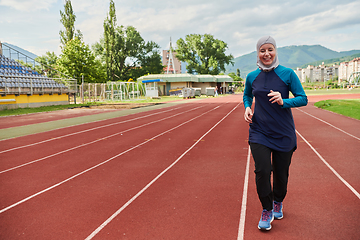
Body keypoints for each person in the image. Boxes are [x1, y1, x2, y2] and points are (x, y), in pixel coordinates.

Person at [243, 36, 308, 231]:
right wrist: (247, 107)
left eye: (270, 49)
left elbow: (303, 99)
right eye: (262, 50)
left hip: (283, 133)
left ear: (275, 51)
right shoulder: (251, 76)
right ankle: (266, 208)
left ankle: (278, 200)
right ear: (258, 53)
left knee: (281, 174)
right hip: (259, 131)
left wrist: (283, 101)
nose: (266, 54)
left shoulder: (287, 74)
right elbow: (247, 94)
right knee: (262, 171)